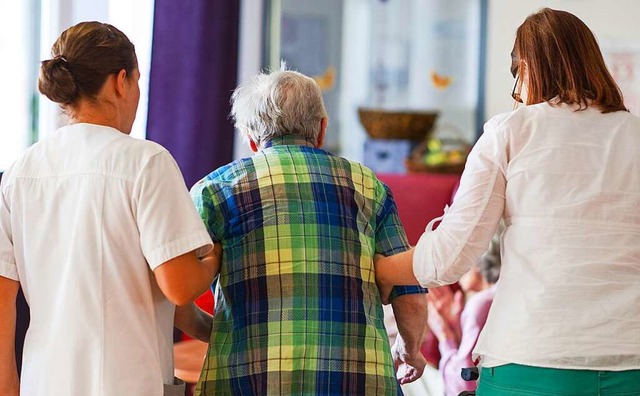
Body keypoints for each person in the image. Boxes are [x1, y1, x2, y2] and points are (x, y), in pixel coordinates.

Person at [375, 7, 640, 395]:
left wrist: (378, 269)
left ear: (528, 69)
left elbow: (450, 256)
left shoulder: (510, 132)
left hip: (532, 357)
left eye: (516, 76)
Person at [0, 22, 220, 396]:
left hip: (44, 383)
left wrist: (8, 386)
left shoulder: (20, 172)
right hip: (127, 382)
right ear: (122, 82)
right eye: (137, 82)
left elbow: (3, 301)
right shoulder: (145, 161)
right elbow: (180, 286)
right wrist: (216, 254)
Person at [186, 67, 428, 395]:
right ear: (322, 129)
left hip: (247, 382)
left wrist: (218, 332)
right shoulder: (370, 187)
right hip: (358, 383)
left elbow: (176, 290)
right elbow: (408, 286)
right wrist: (410, 349)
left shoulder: (214, 190)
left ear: (251, 139)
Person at [427, 231, 500, 396]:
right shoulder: (498, 296)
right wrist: (455, 327)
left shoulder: (481, 305)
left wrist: (445, 336)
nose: (454, 267)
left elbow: (462, 386)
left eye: (460, 258)